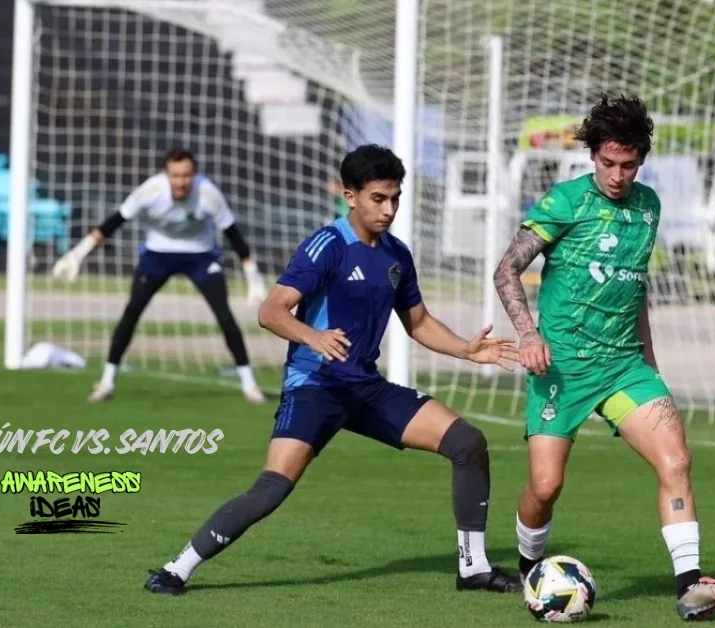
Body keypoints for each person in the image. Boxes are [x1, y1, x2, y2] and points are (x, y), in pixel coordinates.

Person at [143, 144, 524, 596]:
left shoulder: (396, 255)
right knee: (271, 489)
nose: (389, 209)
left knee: (468, 443)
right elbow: (271, 311)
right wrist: (313, 336)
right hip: (315, 388)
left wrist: (466, 350)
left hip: (365, 388)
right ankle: (176, 569)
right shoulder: (327, 245)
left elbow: (418, 322)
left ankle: (473, 567)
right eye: (378, 199)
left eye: (395, 198)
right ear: (350, 196)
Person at [492, 94, 715, 621]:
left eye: (628, 165)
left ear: (641, 161)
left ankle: (690, 587)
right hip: (561, 368)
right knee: (545, 486)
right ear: (593, 157)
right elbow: (506, 271)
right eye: (608, 163)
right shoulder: (566, 202)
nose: (617, 175)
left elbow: (636, 287)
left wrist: (649, 361)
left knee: (676, 460)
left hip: (625, 367)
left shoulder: (648, 207)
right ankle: (529, 569)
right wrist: (528, 334)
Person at [51, 148, 269, 405]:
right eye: (175, 176)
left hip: (201, 256)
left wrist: (254, 280)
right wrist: (77, 254)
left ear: (194, 175)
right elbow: (112, 223)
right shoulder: (150, 192)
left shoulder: (209, 195)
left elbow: (235, 237)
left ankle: (250, 385)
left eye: (186, 175)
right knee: (131, 312)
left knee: (224, 316)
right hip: (157, 255)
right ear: (166, 175)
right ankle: (107, 382)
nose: (181, 182)